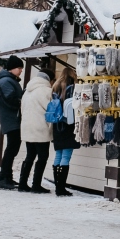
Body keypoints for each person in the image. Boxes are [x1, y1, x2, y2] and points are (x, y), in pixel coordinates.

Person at [18, 67, 53, 194]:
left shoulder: (27, 91)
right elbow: (50, 110)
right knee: (43, 156)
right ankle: (36, 185)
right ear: (49, 79)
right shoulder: (47, 91)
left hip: (27, 126)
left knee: (30, 155)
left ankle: (22, 183)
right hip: (40, 127)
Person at [0, 56, 25, 190]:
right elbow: (10, 98)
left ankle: (7, 177)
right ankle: (4, 178)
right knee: (12, 148)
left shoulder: (8, 80)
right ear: (13, 68)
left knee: (12, 148)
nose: (21, 71)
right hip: (12, 119)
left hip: (11, 118)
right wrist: (21, 103)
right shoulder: (6, 81)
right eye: (19, 68)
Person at [51, 68, 77, 197]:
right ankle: (61, 188)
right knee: (66, 156)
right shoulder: (72, 87)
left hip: (57, 123)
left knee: (58, 155)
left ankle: (58, 186)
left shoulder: (55, 87)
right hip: (69, 123)